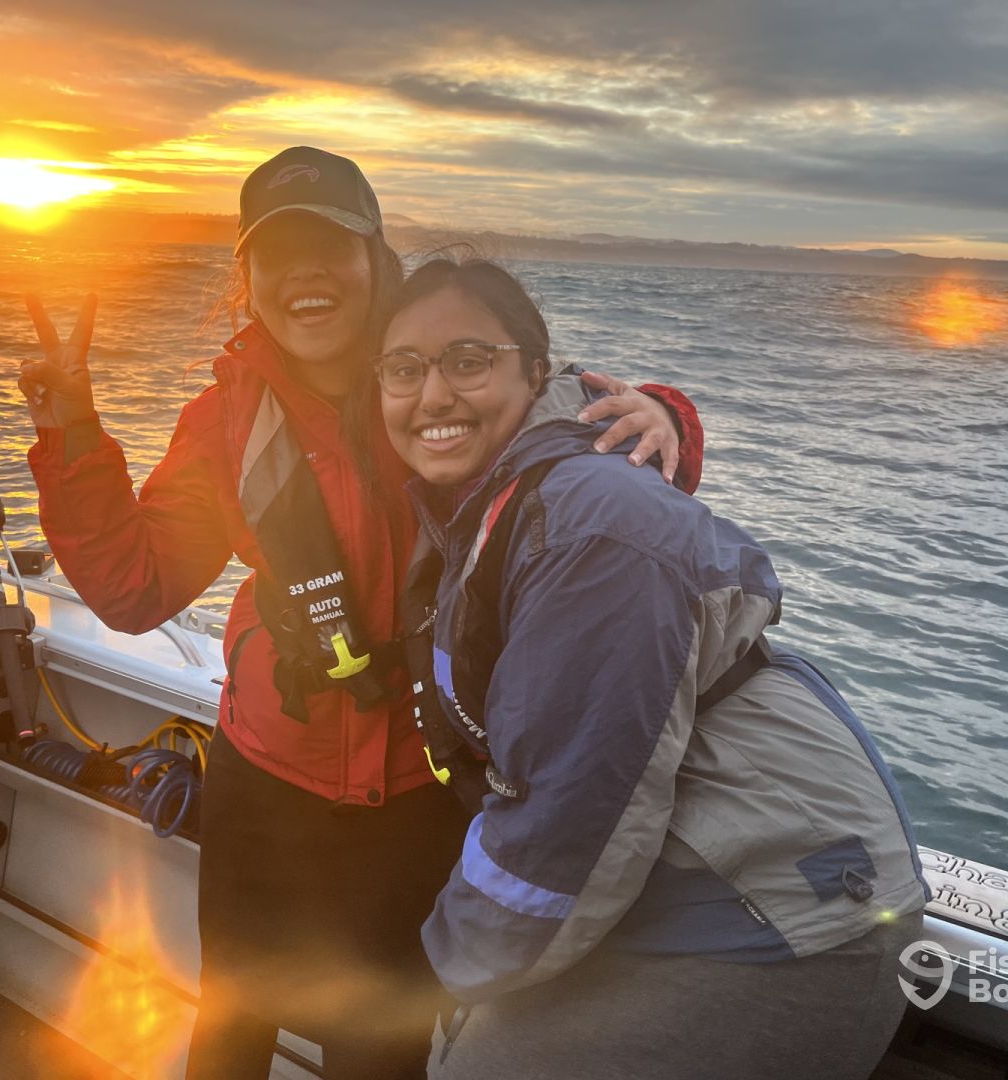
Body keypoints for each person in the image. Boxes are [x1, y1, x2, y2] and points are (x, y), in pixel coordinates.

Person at [17, 147, 705, 1080]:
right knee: (230, 1024)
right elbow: (134, 590)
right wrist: (70, 433)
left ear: (376, 257)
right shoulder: (224, 421)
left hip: (424, 796)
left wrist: (664, 413)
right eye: (275, 254)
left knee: (379, 1052)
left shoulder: (443, 377)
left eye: (330, 246)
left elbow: (578, 425)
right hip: (263, 783)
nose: (304, 274)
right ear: (248, 280)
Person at [376, 257, 930, 1080]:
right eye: (403, 369)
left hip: (775, 909)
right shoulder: (503, 497)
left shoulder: (587, 524)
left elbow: (576, 810)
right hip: (692, 873)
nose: (433, 395)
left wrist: (444, 970)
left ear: (537, 372)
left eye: (468, 360)